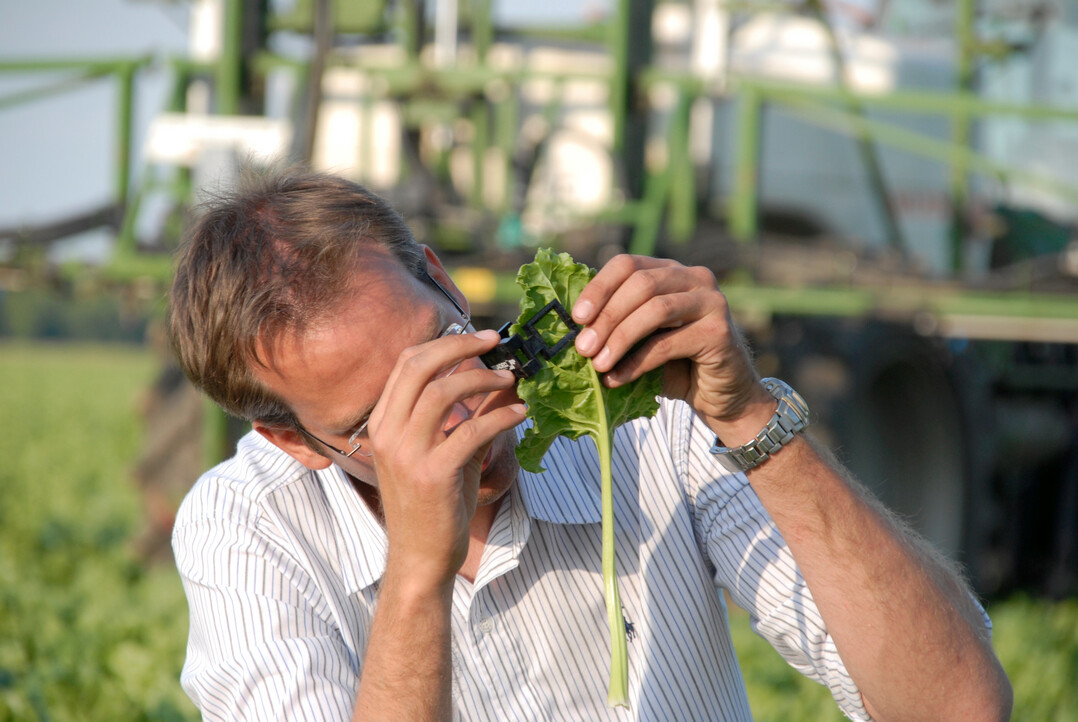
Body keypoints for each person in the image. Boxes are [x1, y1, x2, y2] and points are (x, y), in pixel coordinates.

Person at [167, 168, 1011, 721]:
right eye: (383, 417)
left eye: (447, 347)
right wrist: (417, 573)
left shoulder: (647, 418)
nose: (460, 414)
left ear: (444, 279)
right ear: (293, 440)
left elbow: (958, 707)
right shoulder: (246, 528)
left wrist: (753, 419)